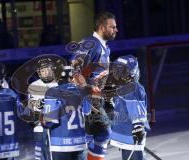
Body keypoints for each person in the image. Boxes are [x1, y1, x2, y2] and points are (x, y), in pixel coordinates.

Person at [71, 11, 118, 160]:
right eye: (113, 27)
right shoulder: (90, 44)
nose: (116, 30)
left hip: (96, 100)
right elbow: (75, 72)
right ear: (102, 27)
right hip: (86, 100)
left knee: (98, 135)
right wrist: (89, 89)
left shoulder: (105, 47)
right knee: (103, 132)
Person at [42, 62, 87, 160]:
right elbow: (88, 113)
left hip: (60, 143)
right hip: (80, 142)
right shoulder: (82, 91)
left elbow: (49, 121)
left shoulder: (53, 92)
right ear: (71, 77)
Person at [110, 55, 150, 160]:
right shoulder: (127, 87)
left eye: (120, 70)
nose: (116, 73)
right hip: (127, 135)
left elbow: (134, 108)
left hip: (127, 135)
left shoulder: (127, 88)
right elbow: (129, 109)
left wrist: (138, 127)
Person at [27, 56, 61, 160]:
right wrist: (38, 105)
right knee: (41, 156)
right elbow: (31, 107)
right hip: (40, 125)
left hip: (57, 126)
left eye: (47, 69)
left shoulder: (59, 84)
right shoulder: (34, 86)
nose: (44, 72)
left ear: (52, 69)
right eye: (42, 70)